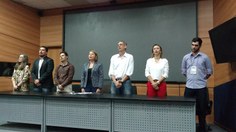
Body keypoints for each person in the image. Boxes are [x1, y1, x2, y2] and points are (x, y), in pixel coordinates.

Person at [181, 37, 213, 132]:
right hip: (189, 87)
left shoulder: (205, 57)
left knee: (202, 111)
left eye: (196, 45)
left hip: (201, 88)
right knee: (187, 110)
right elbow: (183, 71)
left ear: (200, 46)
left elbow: (209, 71)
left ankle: (202, 129)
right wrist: (191, 78)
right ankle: (188, 128)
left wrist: (201, 79)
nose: (194, 47)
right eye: (192, 45)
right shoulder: (186, 57)